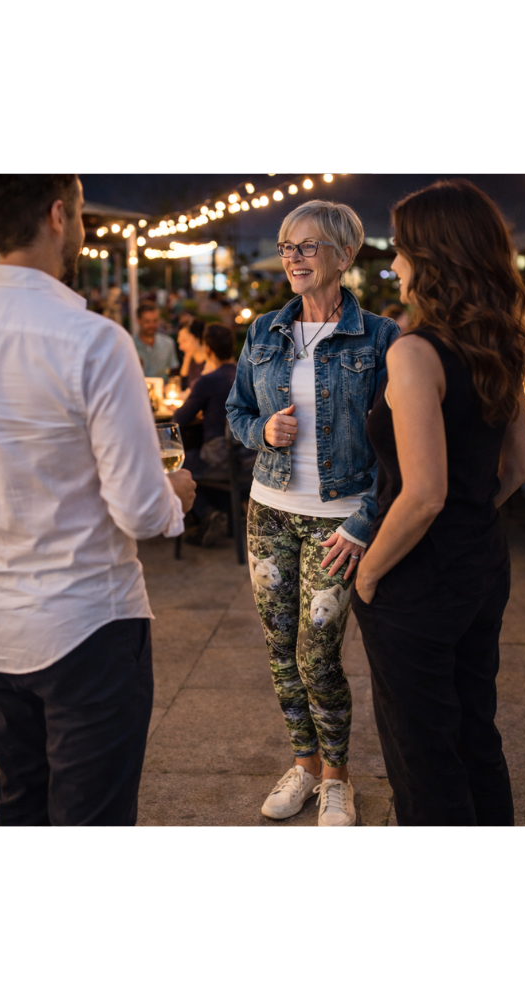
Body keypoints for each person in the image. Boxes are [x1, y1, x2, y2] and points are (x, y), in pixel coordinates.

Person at [0, 174, 196, 826]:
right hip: (87, 625)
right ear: (59, 214)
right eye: (84, 212)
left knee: (20, 802)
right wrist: (174, 495)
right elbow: (141, 511)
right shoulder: (93, 339)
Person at [350, 178, 525, 826]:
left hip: (418, 579)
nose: (392, 263)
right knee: (475, 735)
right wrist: (471, 518)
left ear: (432, 257)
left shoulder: (414, 352)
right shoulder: (504, 340)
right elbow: (519, 467)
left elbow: (423, 494)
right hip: (482, 564)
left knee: (422, 757)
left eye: (399, 250)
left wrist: (368, 575)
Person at [227, 200, 400, 827]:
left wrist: (366, 520)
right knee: (280, 649)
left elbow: (400, 445)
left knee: (317, 653)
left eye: (307, 246)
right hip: (268, 512)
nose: (292, 258)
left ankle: (337, 779)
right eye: (285, 246)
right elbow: (236, 412)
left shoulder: (381, 337)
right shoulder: (264, 331)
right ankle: (303, 765)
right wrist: (261, 434)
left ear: (343, 256)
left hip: (341, 520)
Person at [175, 323, 244, 546]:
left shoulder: (208, 381)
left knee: (174, 468)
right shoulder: (246, 374)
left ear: (208, 350)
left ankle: (207, 513)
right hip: (250, 457)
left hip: (220, 457)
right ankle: (214, 514)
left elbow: (179, 419)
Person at [133, 303, 178, 377]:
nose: (152, 325)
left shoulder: (168, 343)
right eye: (147, 321)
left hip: (163, 387)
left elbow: (174, 370)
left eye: (155, 321)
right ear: (138, 321)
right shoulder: (130, 344)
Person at [177, 317, 210, 388]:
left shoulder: (211, 362)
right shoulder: (189, 360)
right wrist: (187, 359)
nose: (180, 347)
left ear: (197, 338)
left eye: (184, 341)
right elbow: (182, 387)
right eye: (179, 342)